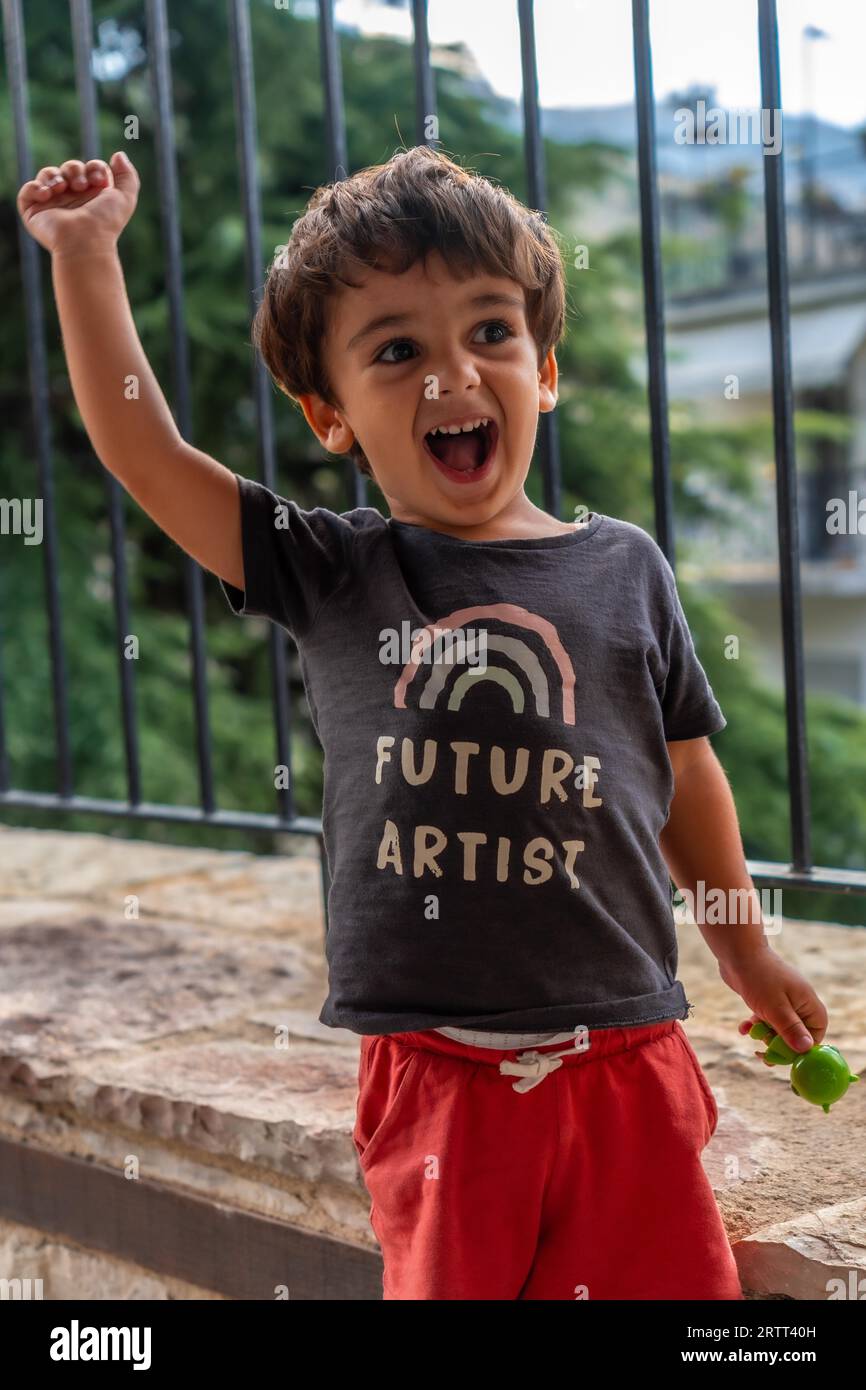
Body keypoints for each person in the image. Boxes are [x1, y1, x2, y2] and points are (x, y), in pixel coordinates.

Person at [17, 143, 827, 1301]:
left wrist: (741, 945)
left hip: (629, 1065)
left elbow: (685, 772)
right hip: (437, 1085)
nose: (452, 373)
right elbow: (145, 454)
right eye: (395, 350)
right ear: (328, 413)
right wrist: (87, 258)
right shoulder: (333, 569)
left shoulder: (625, 568)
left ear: (542, 372)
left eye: (489, 333)